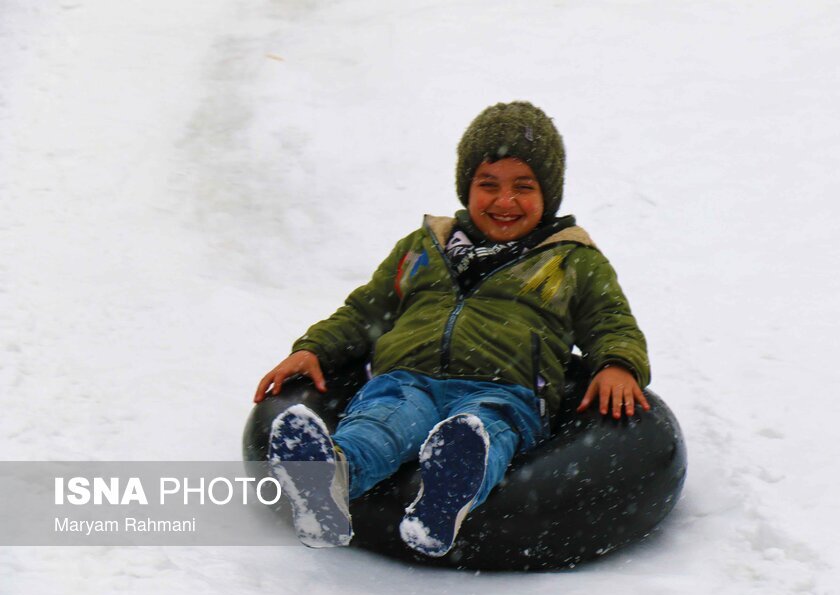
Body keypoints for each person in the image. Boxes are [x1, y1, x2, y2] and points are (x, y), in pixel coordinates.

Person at [255, 101, 650, 556]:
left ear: (549, 194)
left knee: (481, 432)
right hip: (407, 380)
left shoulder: (571, 260)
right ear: (467, 188)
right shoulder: (424, 247)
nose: (505, 201)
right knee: (380, 423)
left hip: (505, 389)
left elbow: (610, 320)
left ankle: (446, 498)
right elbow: (365, 312)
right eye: (489, 185)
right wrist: (315, 349)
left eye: (524, 187)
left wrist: (618, 364)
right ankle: (328, 482)